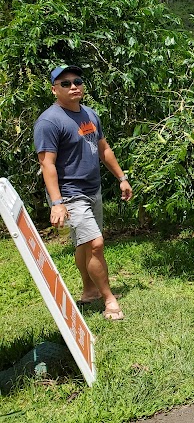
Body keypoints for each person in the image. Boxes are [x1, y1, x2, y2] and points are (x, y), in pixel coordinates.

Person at [33, 66, 131, 321]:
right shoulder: (49, 121)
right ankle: (109, 300)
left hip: (92, 189)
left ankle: (89, 290)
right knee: (96, 244)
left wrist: (121, 178)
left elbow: (103, 148)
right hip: (70, 194)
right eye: (65, 83)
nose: (73, 86)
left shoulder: (89, 114)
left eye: (77, 81)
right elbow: (47, 164)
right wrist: (56, 202)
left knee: (85, 244)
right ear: (55, 89)